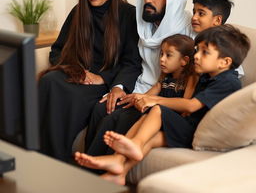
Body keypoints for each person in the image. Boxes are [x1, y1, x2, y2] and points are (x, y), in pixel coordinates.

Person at [74, 24, 251, 185]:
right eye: (197, 50)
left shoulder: (228, 81)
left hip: (193, 131)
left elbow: (191, 106)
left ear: (225, 62)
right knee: (150, 136)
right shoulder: (208, 76)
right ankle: (120, 169)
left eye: (205, 52)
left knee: (158, 110)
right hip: (187, 129)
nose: (196, 56)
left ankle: (134, 144)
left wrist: (155, 100)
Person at [38, 0, 142, 162]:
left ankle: (59, 160)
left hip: (104, 81)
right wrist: (75, 70)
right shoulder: (79, 11)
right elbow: (57, 50)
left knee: (71, 96)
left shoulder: (129, 14)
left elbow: (132, 61)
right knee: (48, 81)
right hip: (76, 74)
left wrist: (103, 79)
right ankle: (38, 153)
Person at [84, 0, 194, 156]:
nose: (148, 0)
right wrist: (120, 87)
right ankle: (85, 165)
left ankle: (94, 172)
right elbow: (131, 62)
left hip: (167, 95)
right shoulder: (143, 25)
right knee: (101, 107)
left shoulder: (190, 28)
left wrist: (148, 98)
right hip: (141, 87)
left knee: (117, 118)